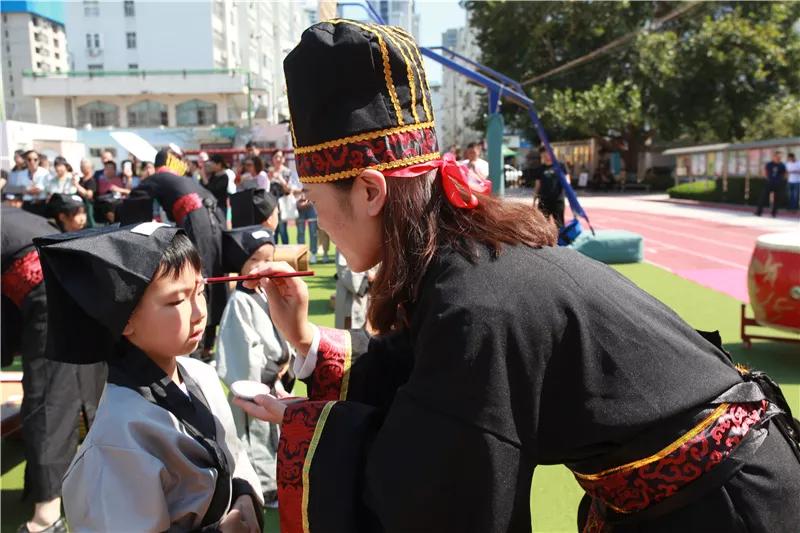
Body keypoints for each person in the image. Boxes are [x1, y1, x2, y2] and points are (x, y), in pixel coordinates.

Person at [235, 21, 800, 533]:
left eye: (314, 200)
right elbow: (426, 373)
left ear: (368, 190)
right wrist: (306, 340)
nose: (315, 220)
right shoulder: (462, 265)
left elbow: (437, 493)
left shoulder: (475, 300)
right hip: (688, 493)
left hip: (727, 507)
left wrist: (309, 427)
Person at [36, 224, 263, 532]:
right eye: (176, 301)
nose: (199, 312)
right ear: (124, 319)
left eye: (199, 291)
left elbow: (234, 457)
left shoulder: (201, 374)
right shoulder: (117, 436)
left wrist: (244, 496)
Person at [2, 206, 105, 533]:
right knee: (85, 387)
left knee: (49, 396)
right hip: (84, 280)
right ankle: (98, 483)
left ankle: (47, 515)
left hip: (49, 289)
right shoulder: (15, 216)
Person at [215, 226, 294, 508]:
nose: (263, 266)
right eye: (255, 260)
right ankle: (264, 488)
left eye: (268, 259)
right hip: (256, 383)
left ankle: (274, 481)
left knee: (274, 436)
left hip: (273, 380)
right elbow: (241, 351)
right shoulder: (239, 302)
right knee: (256, 436)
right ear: (240, 265)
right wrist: (264, 376)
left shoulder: (266, 293)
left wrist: (286, 361)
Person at [133, 148, 226, 360]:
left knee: (195, 281)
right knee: (211, 279)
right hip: (215, 224)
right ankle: (207, 345)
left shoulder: (159, 177)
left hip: (197, 224)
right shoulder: (186, 180)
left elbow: (136, 203)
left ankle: (196, 348)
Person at [532, 145, 569, 228]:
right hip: (543, 201)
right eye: (544, 155)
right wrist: (534, 200)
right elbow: (537, 185)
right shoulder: (540, 168)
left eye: (548, 154)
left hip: (558, 200)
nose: (547, 157)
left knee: (559, 224)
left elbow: (567, 181)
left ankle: (560, 236)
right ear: (541, 156)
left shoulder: (560, 166)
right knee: (542, 224)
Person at [334, 253, 373, 330]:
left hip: (373, 294)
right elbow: (344, 269)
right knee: (349, 327)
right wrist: (366, 282)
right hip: (352, 293)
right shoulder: (345, 246)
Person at [267, 150, 296, 244]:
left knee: (283, 230)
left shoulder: (287, 172)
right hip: (271, 204)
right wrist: (269, 178)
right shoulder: (269, 172)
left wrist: (279, 178)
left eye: (280, 157)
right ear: (272, 159)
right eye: (276, 157)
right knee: (273, 230)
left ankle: (286, 250)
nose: (278, 159)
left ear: (284, 159)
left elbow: (289, 189)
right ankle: (274, 250)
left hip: (283, 204)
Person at [755, 151, 787, 218]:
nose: (778, 158)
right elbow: (765, 172)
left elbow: (785, 174)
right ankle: (758, 212)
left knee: (777, 199)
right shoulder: (769, 164)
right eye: (777, 156)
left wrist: (781, 181)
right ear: (774, 157)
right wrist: (767, 178)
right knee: (763, 197)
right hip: (769, 183)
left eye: (779, 157)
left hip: (778, 184)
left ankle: (774, 213)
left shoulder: (782, 165)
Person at [20, 150, 50, 216]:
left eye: (35, 159)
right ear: (26, 161)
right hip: (27, 204)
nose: (32, 162)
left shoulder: (44, 172)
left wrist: (27, 190)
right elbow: (20, 190)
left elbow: (40, 190)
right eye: (29, 159)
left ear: (39, 160)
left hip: (41, 204)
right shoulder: (22, 174)